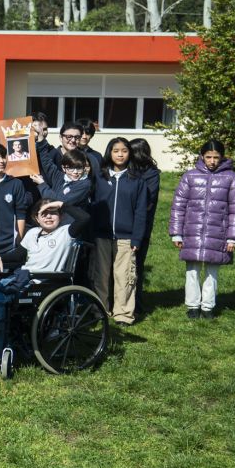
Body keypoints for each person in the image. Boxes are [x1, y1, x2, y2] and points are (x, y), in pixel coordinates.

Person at [0, 199, 91, 370]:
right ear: (36, 218)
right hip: (20, 280)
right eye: (44, 213)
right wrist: (0, 258)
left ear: (60, 215)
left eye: (53, 212)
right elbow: (19, 254)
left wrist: (61, 204)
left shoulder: (66, 233)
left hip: (42, 284)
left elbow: (84, 218)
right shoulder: (33, 233)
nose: (49, 216)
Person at [169, 140, 235, 320]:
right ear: (202, 156)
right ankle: (193, 306)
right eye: (208, 157)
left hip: (218, 233)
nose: (212, 161)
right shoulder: (189, 176)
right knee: (192, 271)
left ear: (222, 157)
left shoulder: (231, 178)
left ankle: (208, 307)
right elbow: (178, 206)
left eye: (216, 157)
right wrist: (176, 233)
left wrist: (232, 238)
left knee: (212, 272)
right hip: (192, 233)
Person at [90, 137, 147, 326]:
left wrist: (137, 238)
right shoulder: (99, 176)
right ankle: (100, 310)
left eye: (124, 151)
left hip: (126, 236)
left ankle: (123, 314)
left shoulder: (137, 180)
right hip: (101, 234)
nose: (120, 154)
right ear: (110, 153)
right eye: (116, 151)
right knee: (101, 275)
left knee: (124, 276)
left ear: (129, 153)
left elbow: (140, 211)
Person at [128, 138, 160, 312]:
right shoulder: (128, 170)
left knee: (137, 266)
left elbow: (147, 200)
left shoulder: (151, 174)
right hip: (124, 225)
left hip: (141, 227)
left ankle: (136, 303)